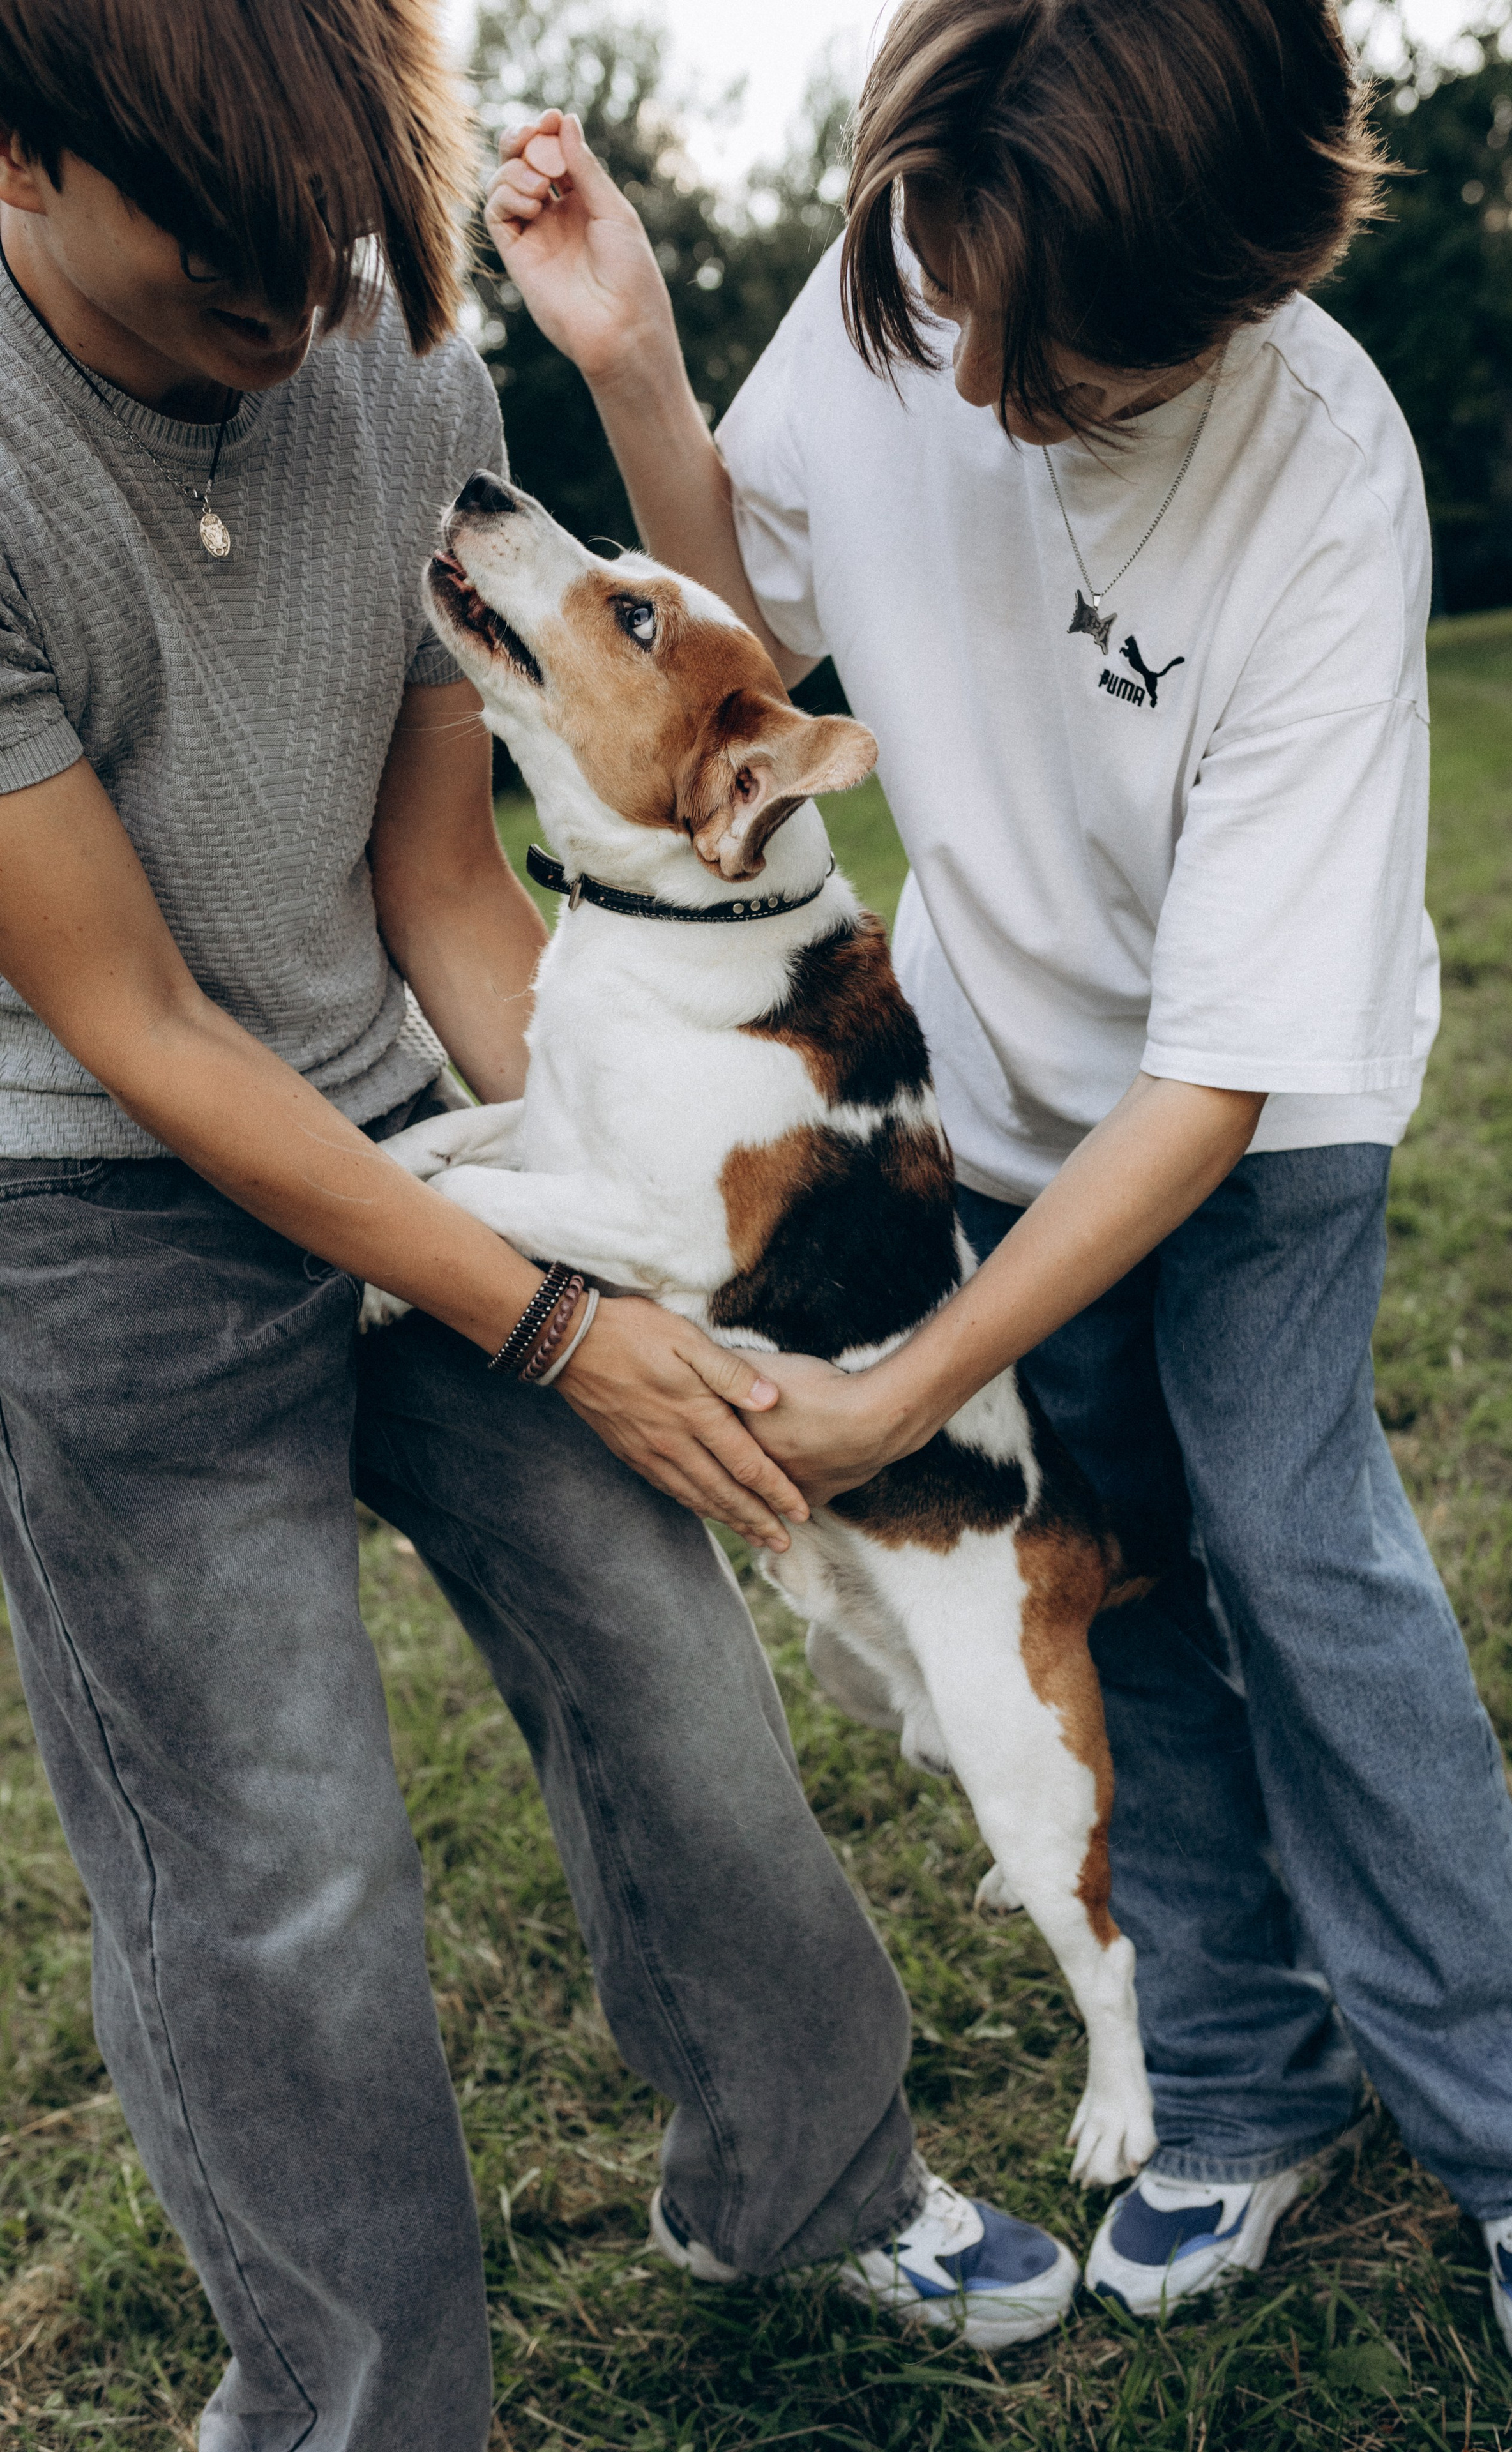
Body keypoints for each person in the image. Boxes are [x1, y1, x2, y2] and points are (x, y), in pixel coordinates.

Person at [490, 0, 1512, 2396]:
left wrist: (906, 1379)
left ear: (1223, 289)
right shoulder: (926, 260)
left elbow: (1221, 1076)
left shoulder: (1324, 480)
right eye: (951, 313)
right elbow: (749, 636)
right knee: (1118, 1602)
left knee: (1303, 1568)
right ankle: (1237, 2079)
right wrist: (634, 374)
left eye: (1060, 365)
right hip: (992, 1105)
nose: (983, 388)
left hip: (1255, 1111)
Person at [0, 4, 1085, 2444]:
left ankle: (811, 2188)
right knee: (280, 1855)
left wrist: (630, 1212)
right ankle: (367, 2412)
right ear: (18, 166)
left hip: (409, 1112)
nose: (298, 326)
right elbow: (146, 1025)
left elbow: (442, 886)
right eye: (227, 281)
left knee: (681, 1672)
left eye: (333, 257)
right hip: (88, 1189)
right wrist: (543, 1313)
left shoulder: (383, 349)